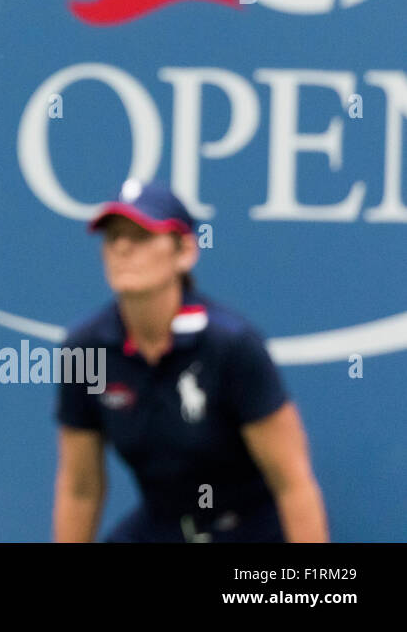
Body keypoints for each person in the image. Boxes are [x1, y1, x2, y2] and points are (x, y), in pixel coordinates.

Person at [52, 179, 328, 542]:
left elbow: (292, 482)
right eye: (113, 236)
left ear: (184, 252)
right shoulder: (84, 350)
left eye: (142, 236)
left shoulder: (232, 346)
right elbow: (80, 488)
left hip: (248, 530)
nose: (122, 247)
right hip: (161, 528)